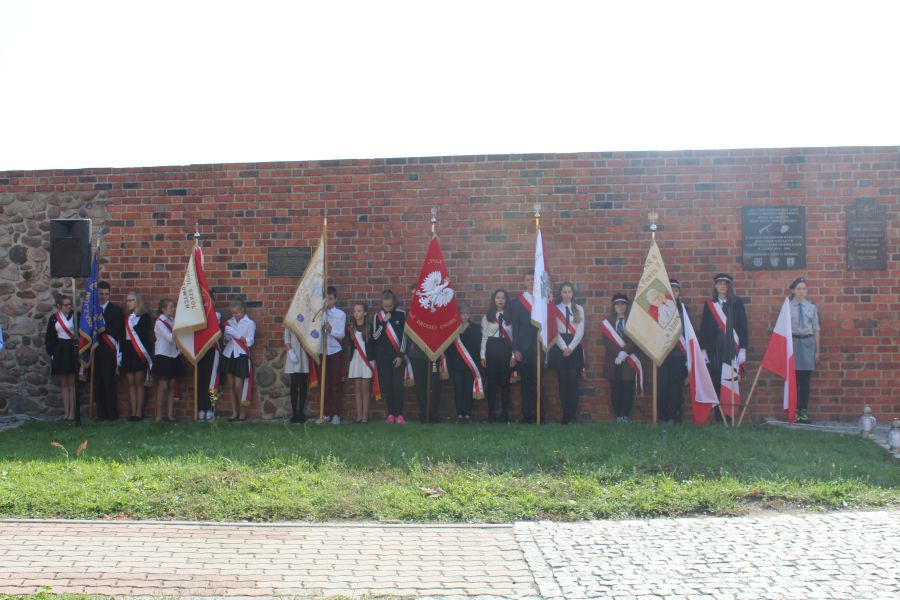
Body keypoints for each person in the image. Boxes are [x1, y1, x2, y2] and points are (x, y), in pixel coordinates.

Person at [699, 273, 750, 418]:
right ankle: (718, 416)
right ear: (715, 286)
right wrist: (703, 349)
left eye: (725, 283)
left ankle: (729, 416)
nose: (722, 286)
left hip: (731, 347)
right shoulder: (710, 305)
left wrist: (743, 349)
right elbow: (704, 328)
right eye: (719, 283)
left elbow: (743, 326)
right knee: (716, 380)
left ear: (729, 286)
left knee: (730, 380)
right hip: (715, 349)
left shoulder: (737, 303)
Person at [549, 282, 585, 424]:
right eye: (564, 292)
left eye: (569, 291)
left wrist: (571, 347)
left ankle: (573, 414)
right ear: (560, 293)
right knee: (563, 383)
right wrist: (564, 347)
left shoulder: (579, 309)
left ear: (573, 293)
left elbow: (580, 331)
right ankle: (566, 415)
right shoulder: (555, 309)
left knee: (573, 382)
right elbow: (554, 330)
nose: (567, 294)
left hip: (575, 346)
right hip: (560, 346)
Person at [601, 293, 641, 422]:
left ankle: (626, 415)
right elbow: (606, 340)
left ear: (626, 306)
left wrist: (625, 352)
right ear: (614, 306)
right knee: (616, 387)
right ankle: (618, 415)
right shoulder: (608, 322)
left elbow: (634, 339)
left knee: (628, 387)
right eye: (617, 304)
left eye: (623, 304)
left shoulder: (632, 322)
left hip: (629, 359)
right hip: (613, 359)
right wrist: (619, 353)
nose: (620, 307)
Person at [406, 283, 442, 423]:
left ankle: (433, 414)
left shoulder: (432, 310)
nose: (415, 297)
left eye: (417, 294)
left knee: (434, 385)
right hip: (416, 354)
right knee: (420, 385)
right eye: (412, 295)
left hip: (433, 353)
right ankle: (423, 413)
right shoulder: (409, 313)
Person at [511, 271, 543, 423]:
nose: (530, 282)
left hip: (540, 347)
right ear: (524, 282)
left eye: (533, 279)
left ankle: (539, 415)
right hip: (524, 349)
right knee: (526, 383)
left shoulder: (542, 301)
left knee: (539, 382)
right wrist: (516, 349)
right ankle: (527, 415)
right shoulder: (517, 302)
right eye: (528, 279)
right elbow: (515, 327)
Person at [373, 289, 408, 424]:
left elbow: (405, 336)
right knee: (388, 385)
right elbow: (375, 337)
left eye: (390, 306)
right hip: (383, 357)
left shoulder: (401, 314)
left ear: (394, 303)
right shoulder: (378, 317)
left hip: (397, 356)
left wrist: (401, 355)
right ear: (382, 304)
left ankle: (399, 414)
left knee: (398, 385)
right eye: (385, 306)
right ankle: (391, 413)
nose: (387, 308)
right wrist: (383, 322)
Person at [481, 289, 515, 423]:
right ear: (493, 300)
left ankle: (504, 414)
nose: (500, 300)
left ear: (506, 300)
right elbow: (484, 337)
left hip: (506, 349)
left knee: (505, 383)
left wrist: (513, 355)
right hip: (491, 349)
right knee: (492, 383)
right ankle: (491, 413)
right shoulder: (487, 317)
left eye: (503, 298)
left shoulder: (511, 316)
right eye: (497, 297)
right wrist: (482, 355)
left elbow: (514, 338)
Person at [789, 277, 820, 424]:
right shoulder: (787, 307)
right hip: (794, 343)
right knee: (794, 379)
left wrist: (817, 350)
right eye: (798, 289)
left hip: (807, 343)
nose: (801, 291)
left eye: (804, 289)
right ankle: (794, 410)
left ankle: (803, 411)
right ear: (793, 290)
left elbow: (816, 329)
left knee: (805, 380)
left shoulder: (811, 307)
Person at [445, 302, 483, 424]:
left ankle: (467, 415)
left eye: (467, 313)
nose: (465, 316)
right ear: (458, 314)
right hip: (456, 365)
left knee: (468, 390)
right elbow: (449, 348)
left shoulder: (475, 328)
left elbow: (478, 347)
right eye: (462, 313)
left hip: (470, 365)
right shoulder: (452, 328)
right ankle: (460, 414)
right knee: (458, 390)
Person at [44, 295, 78, 421]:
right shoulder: (54, 318)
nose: (69, 307)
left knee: (72, 383)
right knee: (64, 383)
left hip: (72, 349)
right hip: (60, 351)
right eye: (66, 305)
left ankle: (73, 411)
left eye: (70, 304)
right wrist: (52, 353)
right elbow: (49, 337)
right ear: (59, 306)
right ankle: (66, 412)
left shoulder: (76, 316)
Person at [658, 279, 687, 423]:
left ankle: (674, 417)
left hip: (678, 353)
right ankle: (662, 416)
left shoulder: (684, 309)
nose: (673, 293)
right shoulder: (659, 309)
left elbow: (689, 331)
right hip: (662, 353)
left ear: (679, 293)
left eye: (676, 290)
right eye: (671, 290)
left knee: (675, 386)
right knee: (662, 385)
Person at [121, 291, 153, 421]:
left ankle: (139, 412)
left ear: (138, 301)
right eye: (127, 300)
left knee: (139, 381)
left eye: (131, 300)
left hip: (139, 351)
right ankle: (133, 411)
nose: (128, 303)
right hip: (128, 350)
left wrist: (134, 323)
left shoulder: (144, 317)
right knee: (130, 382)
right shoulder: (126, 317)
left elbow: (143, 333)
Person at [94, 281, 123, 421]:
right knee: (97, 383)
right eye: (101, 294)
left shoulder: (115, 310)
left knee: (108, 383)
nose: (103, 297)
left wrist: (103, 328)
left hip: (109, 351)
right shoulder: (92, 310)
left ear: (109, 294)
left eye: (106, 294)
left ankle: (112, 414)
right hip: (95, 350)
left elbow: (118, 330)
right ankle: (101, 414)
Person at [223, 299, 256, 421]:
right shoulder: (229, 322)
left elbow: (250, 342)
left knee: (238, 385)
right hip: (228, 354)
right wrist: (227, 336)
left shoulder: (250, 323)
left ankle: (243, 413)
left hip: (241, 354)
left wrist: (236, 334)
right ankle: (234, 413)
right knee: (231, 385)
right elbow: (225, 341)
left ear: (242, 310)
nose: (234, 315)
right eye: (232, 313)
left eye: (236, 312)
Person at [151, 298, 183, 422]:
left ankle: (170, 415)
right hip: (163, 355)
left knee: (171, 385)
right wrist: (181, 331)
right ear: (163, 309)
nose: (174, 309)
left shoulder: (173, 320)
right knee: (163, 386)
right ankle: (159, 415)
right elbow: (170, 338)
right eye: (171, 307)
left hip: (173, 355)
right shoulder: (160, 322)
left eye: (174, 307)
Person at [346, 301, 377, 423]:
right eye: (355, 311)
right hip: (356, 359)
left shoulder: (370, 327)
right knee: (357, 390)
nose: (356, 313)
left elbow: (374, 344)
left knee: (365, 389)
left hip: (367, 359)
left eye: (359, 311)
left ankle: (365, 416)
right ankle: (358, 416)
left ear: (365, 313)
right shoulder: (350, 328)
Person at [319, 286, 347, 425]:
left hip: (335, 350)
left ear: (335, 299)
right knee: (324, 383)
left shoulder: (340, 314)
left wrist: (331, 330)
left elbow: (341, 334)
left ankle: (336, 414)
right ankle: (325, 413)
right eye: (325, 298)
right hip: (322, 350)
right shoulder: (319, 313)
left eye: (330, 298)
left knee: (335, 383)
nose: (328, 301)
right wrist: (322, 313)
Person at [196, 291, 223, 421]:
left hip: (212, 350)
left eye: (208, 300)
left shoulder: (216, 314)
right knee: (200, 381)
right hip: (200, 351)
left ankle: (211, 408)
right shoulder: (196, 315)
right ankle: (201, 407)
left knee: (211, 382)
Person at [283, 322, 310, 424]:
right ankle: (294, 413)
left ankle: (301, 413)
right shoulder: (289, 320)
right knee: (294, 384)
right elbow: (287, 338)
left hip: (304, 354)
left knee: (303, 384)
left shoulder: (307, 320)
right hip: (293, 353)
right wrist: (290, 352)